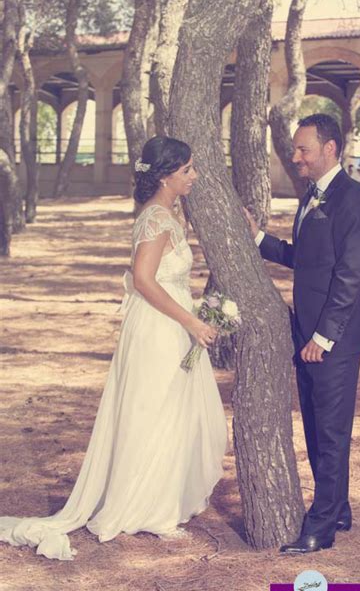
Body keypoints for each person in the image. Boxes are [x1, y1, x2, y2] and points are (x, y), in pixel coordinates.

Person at [0, 136, 228, 560]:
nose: (194, 176)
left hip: (169, 323)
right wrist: (192, 320)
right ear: (164, 176)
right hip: (161, 327)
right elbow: (143, 279)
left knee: (170, 413)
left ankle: (157, 500)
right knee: (154, 411)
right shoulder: (157, 219)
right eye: (187, 170)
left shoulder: (163, 214)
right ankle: (146, 507)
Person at [245, 114, 360, 554]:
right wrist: (258, 237)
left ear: (331, 149)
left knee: (332, 432)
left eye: (304, 150)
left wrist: (324, 337)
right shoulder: (310, 197)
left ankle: (321, 526)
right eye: (296, 150)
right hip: (307, 336)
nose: (296, 157)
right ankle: (338, 506)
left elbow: (351, 275)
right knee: (317, 428)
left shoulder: (352, 198)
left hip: (332, 341)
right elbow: (309, 260)